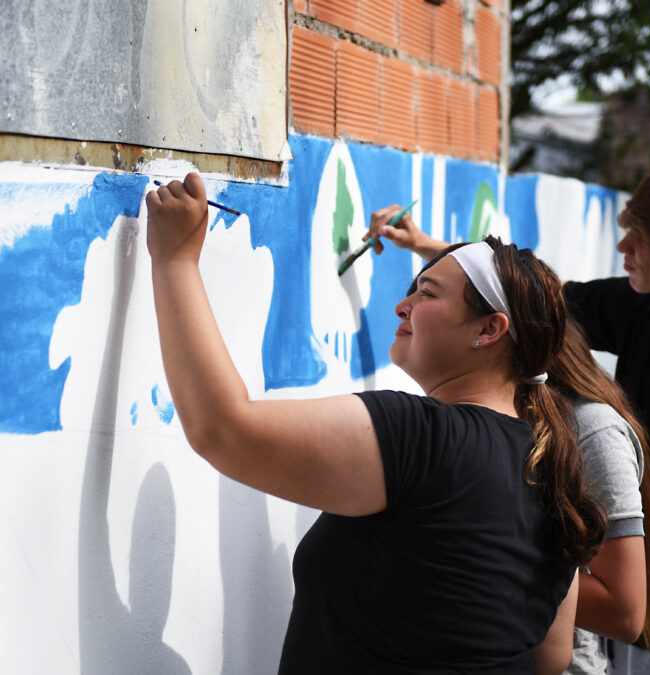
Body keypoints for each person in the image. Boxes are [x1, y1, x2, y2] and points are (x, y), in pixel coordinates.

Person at [146, 173, 607, 674]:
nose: (402, 305)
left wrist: (175, 260)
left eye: (427, 294)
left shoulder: (426, 438)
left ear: (489, 330)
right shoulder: (554, 464)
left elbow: (223, 429)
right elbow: (553, 654)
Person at [366, 160, 650, 673]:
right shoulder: (641, 307)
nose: (622, 247)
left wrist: (611, 528)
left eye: (640, 237)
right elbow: (528, 298)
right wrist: (430, 248)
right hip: (618, 619)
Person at [546, 321, 650, 675]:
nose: (405, 307)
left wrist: (485, 558)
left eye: (429, 294)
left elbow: (624, 611)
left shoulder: (590, 428)